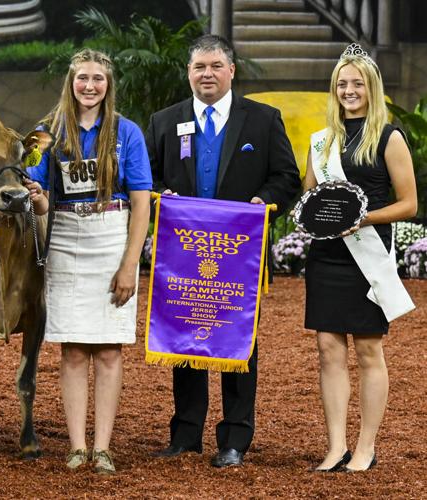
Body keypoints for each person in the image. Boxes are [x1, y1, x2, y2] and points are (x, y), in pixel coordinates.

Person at [145, 34, 300, 468]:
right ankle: (185, 436)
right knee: (186, 339)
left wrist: (263, 202)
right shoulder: (164, 121)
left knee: (238, 346)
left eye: (215, 66)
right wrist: (162, 195)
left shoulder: (263, 120)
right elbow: (148, 179)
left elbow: (286, 178)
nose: (207, 74)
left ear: (232, 71)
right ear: (189, 73)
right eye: (199, 67)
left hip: (240, 258)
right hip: (184, 255)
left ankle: (234, 440)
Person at [29, 49, 151, 475]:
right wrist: (38, 199)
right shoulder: (49, 132)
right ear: (71, 82)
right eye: (82, 78)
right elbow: (42, 201)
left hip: (112, 235)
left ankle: (103, 448)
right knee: (74, 348)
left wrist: (129, 262)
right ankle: (77, 446)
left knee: (110, 350)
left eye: (98, 78)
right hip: (65, 236)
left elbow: (140, 203)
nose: (90, 86)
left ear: (108, 85)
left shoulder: (126, 132)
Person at [303, 44, 416, 473]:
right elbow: (310, 196)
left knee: (369, 351)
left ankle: (365, 447)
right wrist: (312, 213)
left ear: (371, 88)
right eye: (342, 84)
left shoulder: (389, 137)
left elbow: (408, 204)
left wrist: (363, 217)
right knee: (328, 349)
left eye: (357, 84)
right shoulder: (322, 140)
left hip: (365, 258)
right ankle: (335, 447)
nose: (349, 90)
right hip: (327, 255)